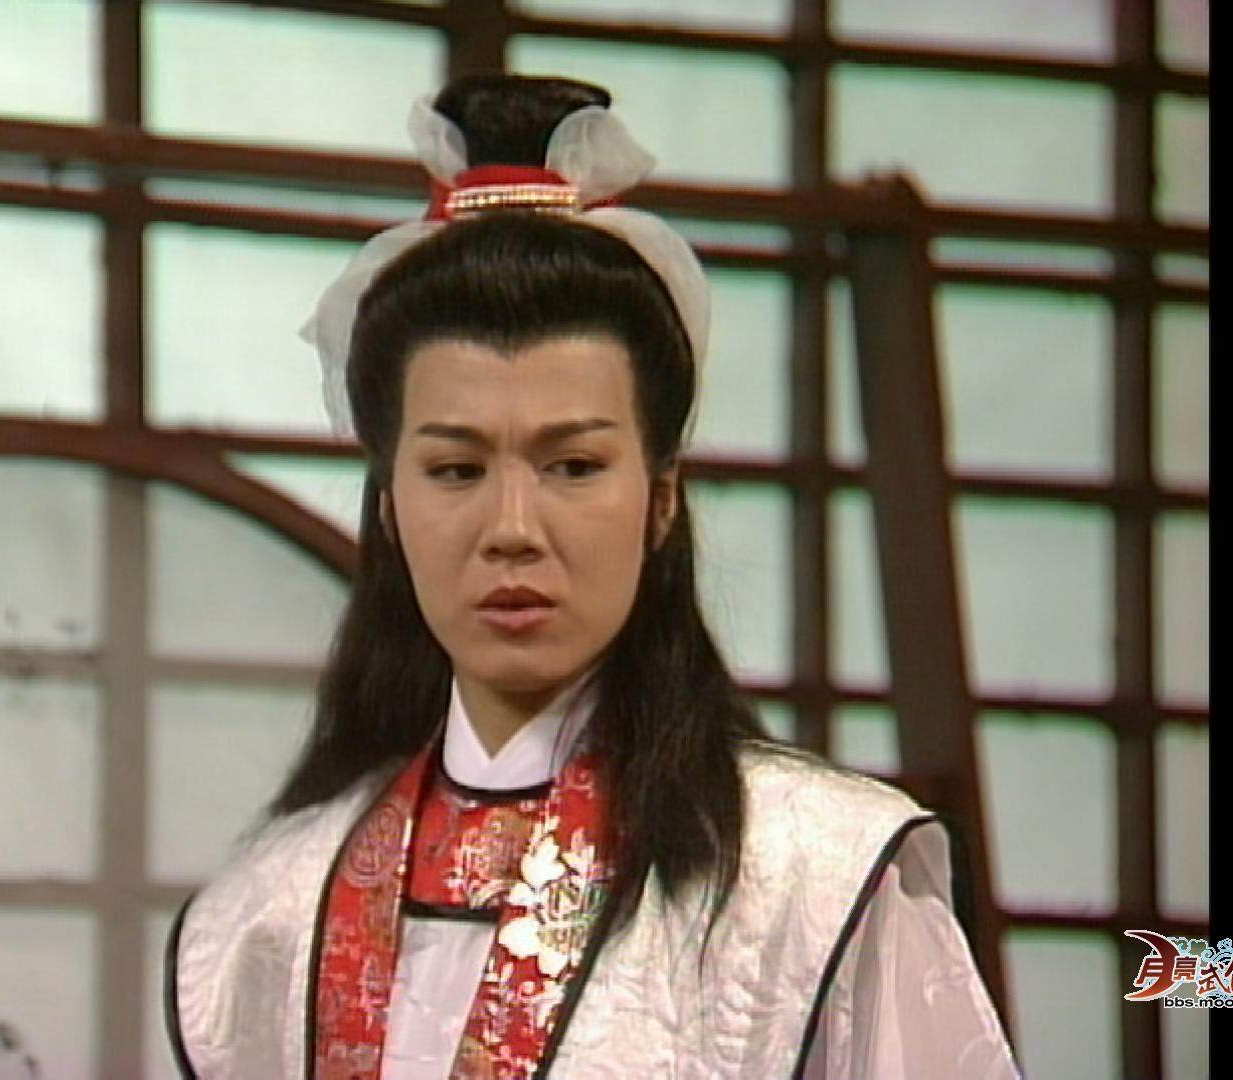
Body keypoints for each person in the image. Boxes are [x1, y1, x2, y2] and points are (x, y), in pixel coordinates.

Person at [167, 74, 1020, 1079]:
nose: (512, 530)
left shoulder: (821, 877)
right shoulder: (264, 918)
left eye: (573, 466)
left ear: (660, 500)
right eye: (456, 470)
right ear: (389, 509)